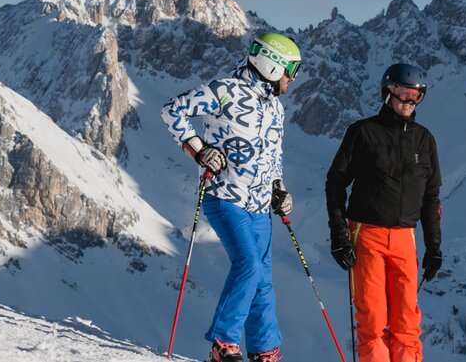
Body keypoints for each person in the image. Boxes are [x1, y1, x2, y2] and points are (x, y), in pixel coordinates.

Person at [161, 33, 303, 362]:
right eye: (290, 70)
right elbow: (173, 111)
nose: (292, 79)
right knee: (249, 265)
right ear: (271, 65)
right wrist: (200, 151)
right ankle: (223, 345)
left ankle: (265, 350)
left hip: (258, 205)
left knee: (263, 278)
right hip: (224, 195)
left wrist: (278, 188)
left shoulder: (276, 109)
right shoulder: (224, 90)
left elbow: (273, 155)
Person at [326, 63, 443, 362]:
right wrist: (340, 235)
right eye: (403, 94)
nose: (409, 102)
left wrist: (434, 247)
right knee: (372, 319)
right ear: (388, 92)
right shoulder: (364, 132)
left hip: (405, 237)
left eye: (416, 96)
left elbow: (431, 198)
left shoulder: (424, 140)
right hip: (367, 235)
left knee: (407, 321)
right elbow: (336, 183)